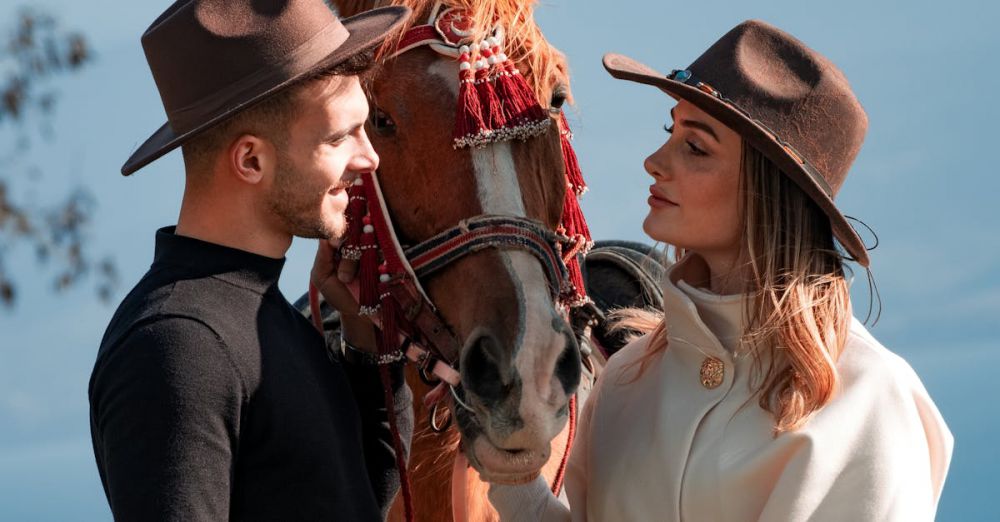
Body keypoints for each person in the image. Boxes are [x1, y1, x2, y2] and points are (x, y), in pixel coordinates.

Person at [488, 20, 953, 521]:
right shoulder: (627, 379)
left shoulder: (872, 399)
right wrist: (512, 478)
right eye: (672, 130)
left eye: (696, 146)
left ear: (766, 192)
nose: (653, 161)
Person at [88, 1, 413, 520]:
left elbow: (356, 502)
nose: (368, 157)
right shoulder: (179, 345)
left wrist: (366, 344)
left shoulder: (267, 318)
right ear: (251, 160)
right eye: (339, 136)